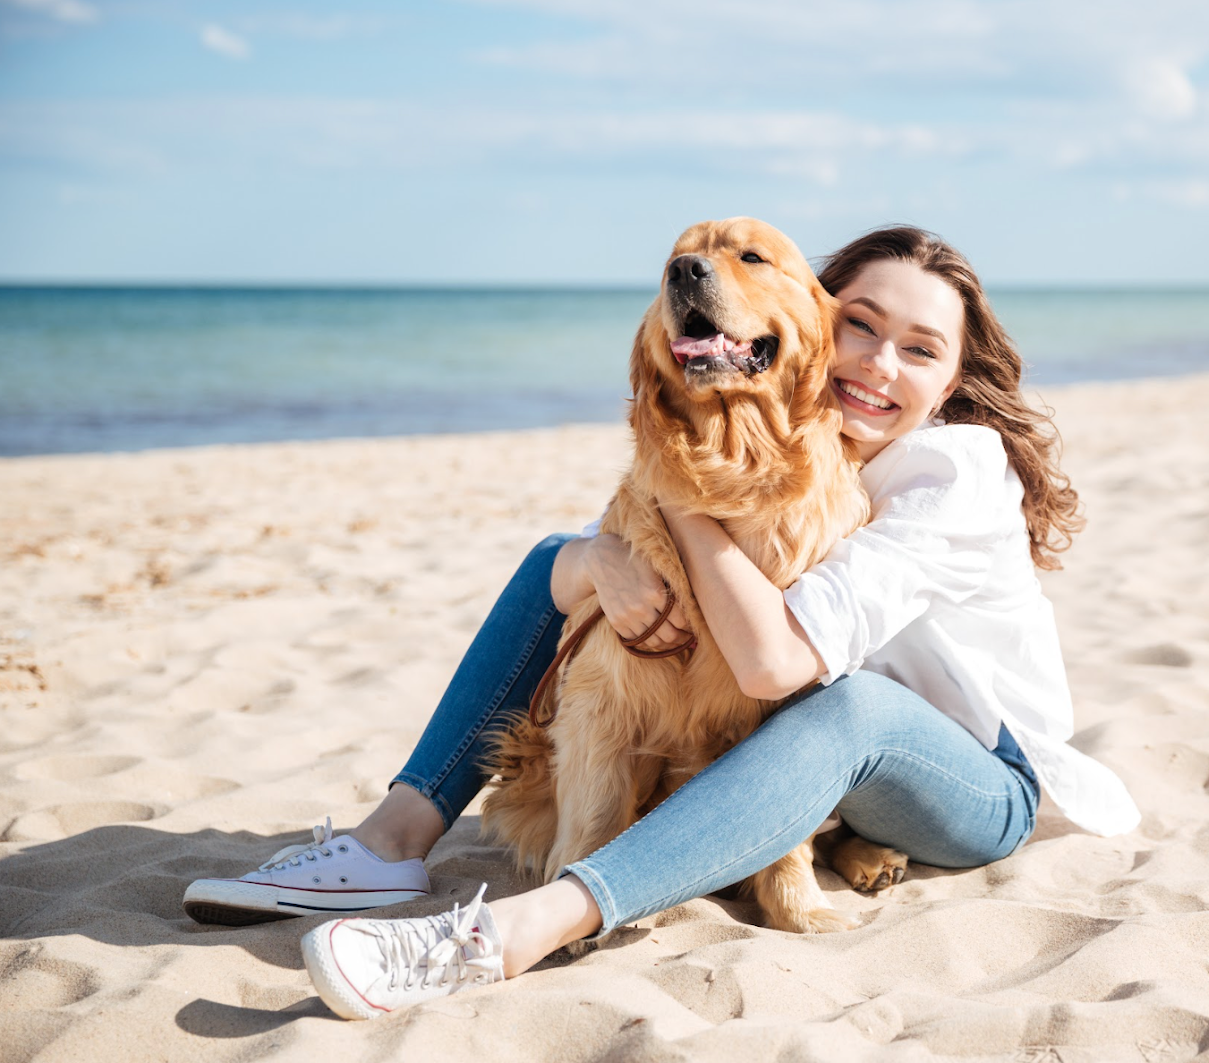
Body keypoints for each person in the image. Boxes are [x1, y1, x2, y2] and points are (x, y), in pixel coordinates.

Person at [184, 226, 1140, 1020]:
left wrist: (676, 497)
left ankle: (525, 927)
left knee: (840, 706)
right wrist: (602, 557)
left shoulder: (952, 471)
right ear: (815, 322)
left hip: (979, 780)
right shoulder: (823, 456)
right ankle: (392, 839)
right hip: (831, 771)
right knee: (559, 558)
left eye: (921, 349)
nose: (879, 366)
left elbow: (771, 665)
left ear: (952, 377)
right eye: (860, 326)